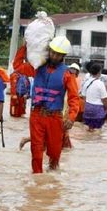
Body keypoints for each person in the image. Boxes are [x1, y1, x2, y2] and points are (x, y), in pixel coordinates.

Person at [14, 36, 79, 173]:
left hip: (55, 117)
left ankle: (52, 180)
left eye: (58, 54)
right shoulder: (37, 68)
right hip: (36, 115)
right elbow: (17, 65)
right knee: (36, 152)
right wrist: (25, 46)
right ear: (48, 51)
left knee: (55, 153)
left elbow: (74, 98)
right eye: (52, 52)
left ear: (63, 56)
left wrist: (71, 117)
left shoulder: (68, 74)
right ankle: (37, 180)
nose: (54, 56)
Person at [81, 63, 107, 131]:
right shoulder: (100, 83)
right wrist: (106, 108)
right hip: (97, 109)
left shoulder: (86, 82)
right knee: (97, 132)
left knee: (89, 129)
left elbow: (83, 97)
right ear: (99, 72)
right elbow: (104, 99)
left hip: (87, 109)